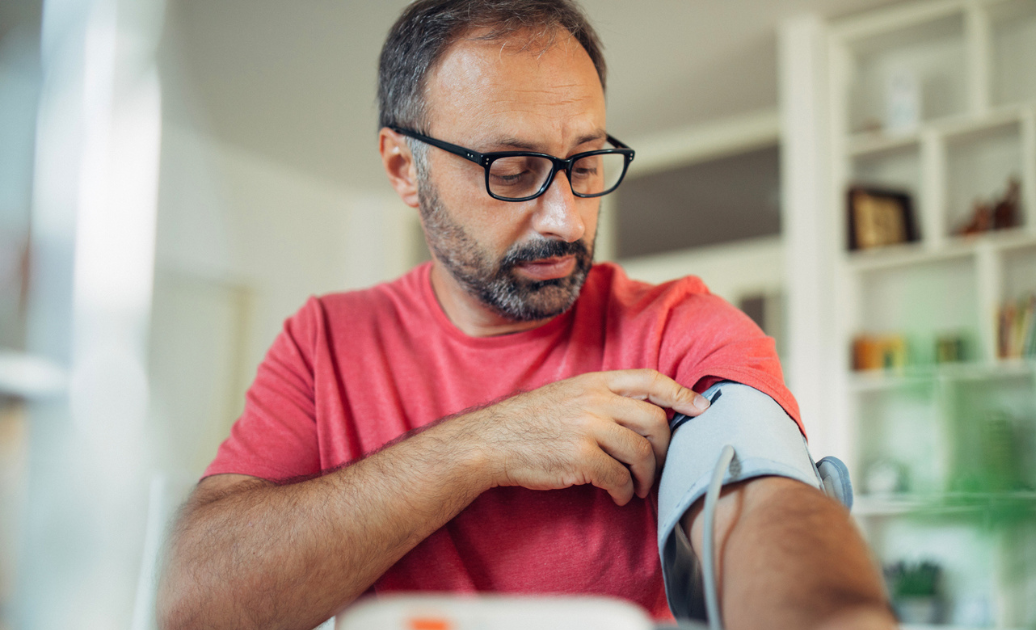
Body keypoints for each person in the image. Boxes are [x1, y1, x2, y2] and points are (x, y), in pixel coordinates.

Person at [156, 1, 893, 629]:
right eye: (511, 171)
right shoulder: (326, 341)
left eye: (586, 162)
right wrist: (488, 443)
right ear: (403, 171)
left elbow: (759, 500)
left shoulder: (680, 329)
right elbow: (190, 599)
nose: (566, 219)